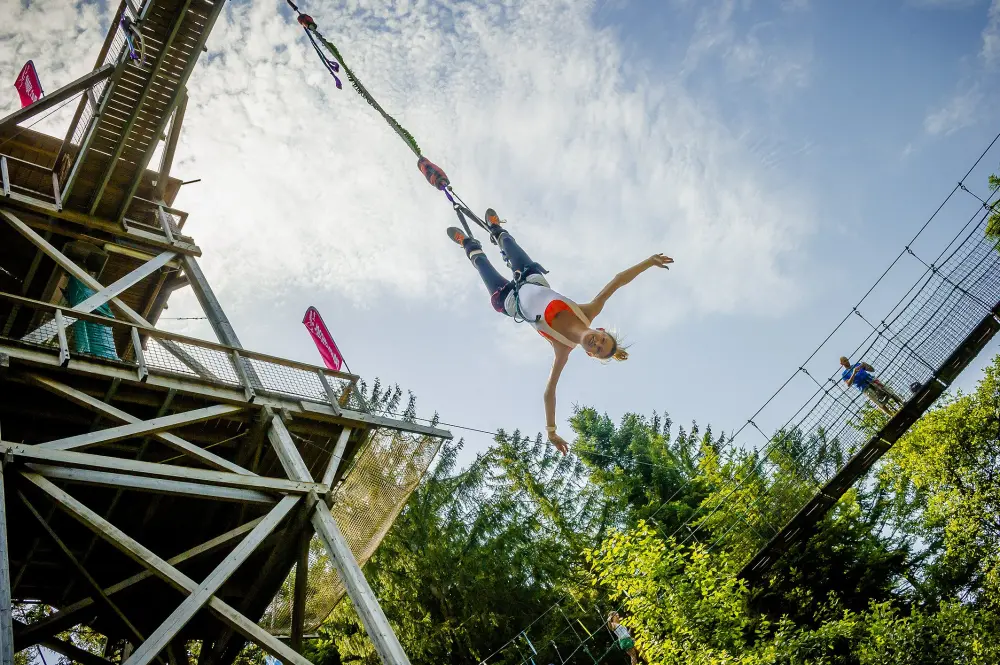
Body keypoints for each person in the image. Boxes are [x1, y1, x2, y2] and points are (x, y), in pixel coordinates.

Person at [448, 209, 672, 455]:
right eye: (602, 340)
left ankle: (469, 245)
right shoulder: (589, 311)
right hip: (532, 279)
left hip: (510, 300)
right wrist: (649, 262)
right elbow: (618, 280)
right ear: (601, 330)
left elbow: (549, 392)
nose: (596, 343)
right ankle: (496, 230)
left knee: (479, 261)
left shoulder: (562, 349)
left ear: (590, 355)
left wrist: (551, 430)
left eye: (597, 350)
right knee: (509, 242)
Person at [839, 356, 904, 417]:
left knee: (888, 391)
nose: (847, 361)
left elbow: (872, 369)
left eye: (847, 360)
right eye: (845, 361)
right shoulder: (844, 374)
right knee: (879, 403)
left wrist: (866, 365)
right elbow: (848, 384)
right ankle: (892, 415)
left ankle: (902, 402)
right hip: (864, 388)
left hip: (872, 380)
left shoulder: (857, 365)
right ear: (841, 363)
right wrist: (854, 373)